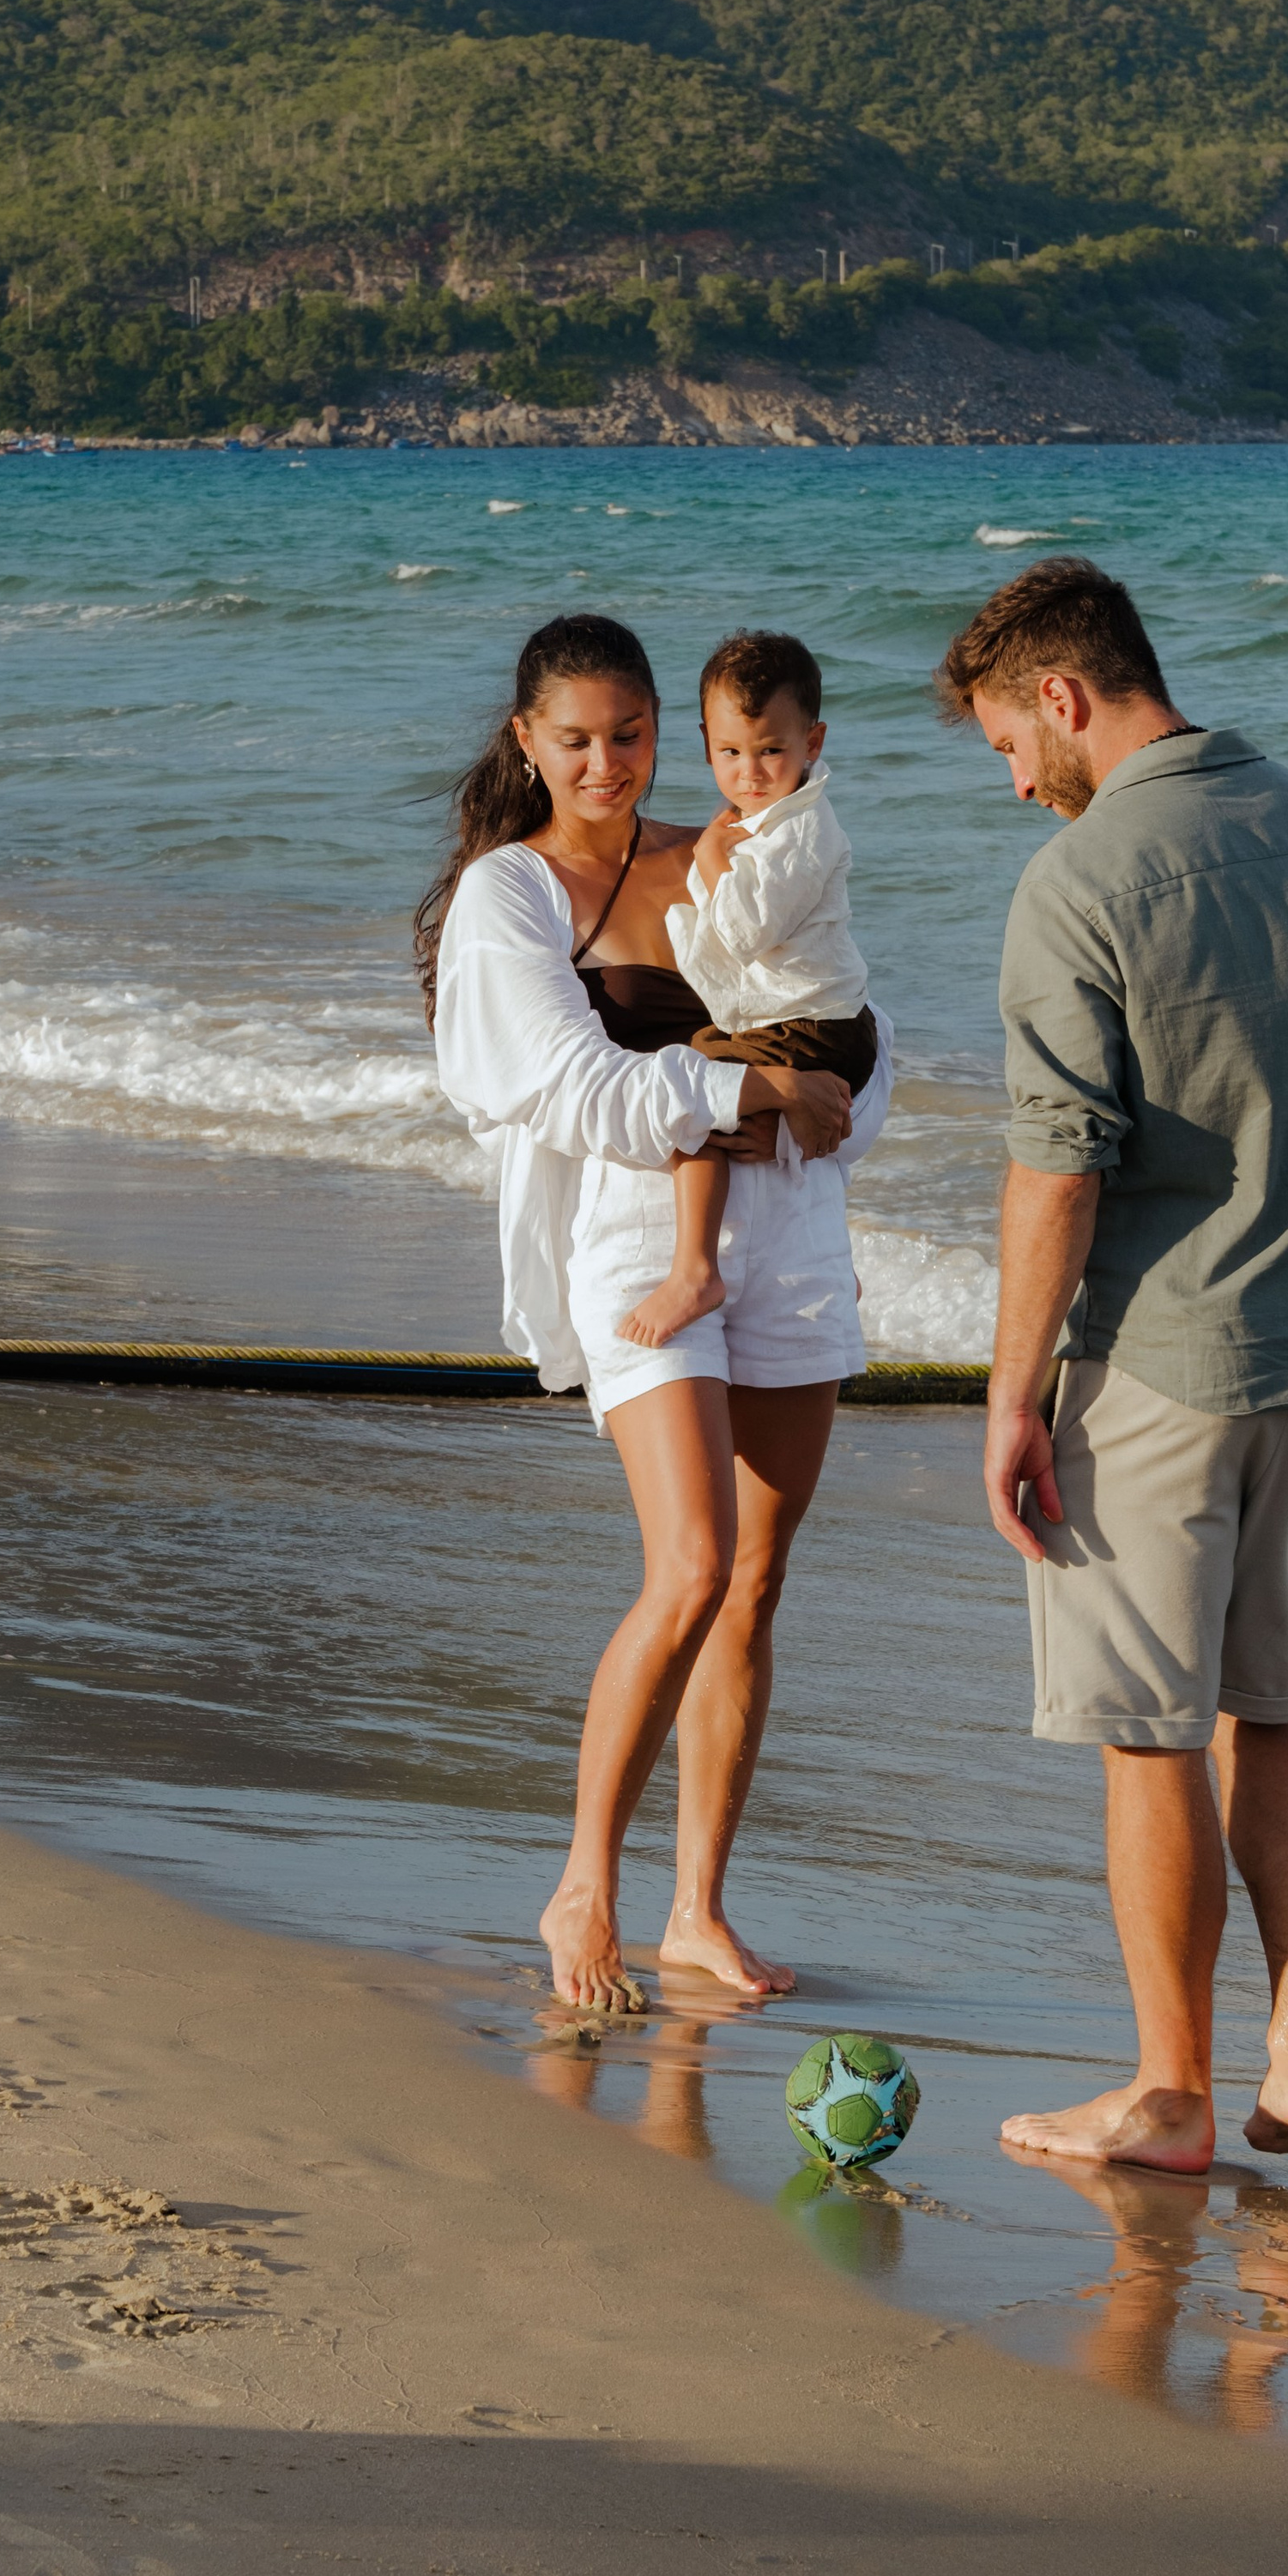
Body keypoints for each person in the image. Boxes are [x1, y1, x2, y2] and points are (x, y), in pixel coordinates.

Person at [937, 555, 1288, 2174]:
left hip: (1160, 1355)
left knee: (1149, 1726)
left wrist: (1012, 1392)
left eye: (1005, 748)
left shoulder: (1085, 880)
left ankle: (1171, 2089)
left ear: (1063, 692)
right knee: (1268, 1699)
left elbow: (1060, 1165)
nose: (1016, 784)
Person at [420, 613, 893, 2014]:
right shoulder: (507, 895)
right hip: (637, 1246)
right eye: (576, 739)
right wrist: (748, 1091)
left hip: (794, 1232)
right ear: (526, 740)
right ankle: (586, 1884)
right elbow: (566, 1091)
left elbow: (849, 1030)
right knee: (688, 1565)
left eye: (631, 735)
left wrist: (825, 1107)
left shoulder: (735, 847)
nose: (608, 763)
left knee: (753, 1584)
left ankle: (698, 1909)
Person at [616, 631, 878, 1350]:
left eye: (771, 750)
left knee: (695, 1089)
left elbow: (740, 931)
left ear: (812, 741)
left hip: (815, 1025)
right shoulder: (762, 826)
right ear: (706, 744)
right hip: (814, 1017)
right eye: (731, 752)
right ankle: (830, 1260)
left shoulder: (798, 833)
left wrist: (703, 858)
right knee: (744, 1119)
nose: (751, 771)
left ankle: (695, 1270)